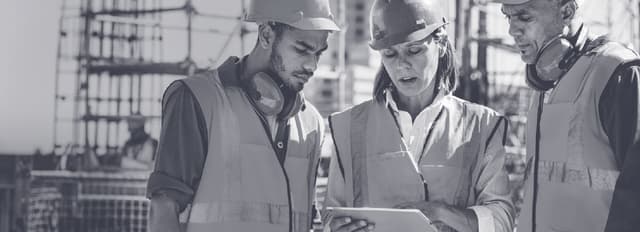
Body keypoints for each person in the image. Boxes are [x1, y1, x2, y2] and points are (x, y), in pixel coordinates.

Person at [145, 0, 340, 231]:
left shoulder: (312, 123)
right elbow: (163, 210)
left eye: (318, 53)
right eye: (301, 49)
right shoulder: (197, 100)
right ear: (266, 35)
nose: (312, 66)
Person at [323, 0, 515, 231]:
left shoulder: (481, 127)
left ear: (441, 44)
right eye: (390, 54)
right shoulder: (349, 128)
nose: (402, 65)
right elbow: (331, 218)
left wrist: (441, 213)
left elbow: (501, 220)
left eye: (414, 50)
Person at [495, 0, 640, 231]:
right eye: (508, 17)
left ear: (566, 12)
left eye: (524, 17)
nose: (512, 30)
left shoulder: (618, 73)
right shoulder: (545, 83)